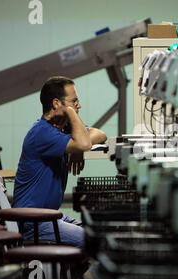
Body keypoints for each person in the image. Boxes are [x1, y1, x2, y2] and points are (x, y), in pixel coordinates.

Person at [12, 76, 107, 248]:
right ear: (56, 104)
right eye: (74, 101)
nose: (79, 106)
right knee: (98, 244)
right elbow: (84, 143)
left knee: (99, 234)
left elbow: (100, 134)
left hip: (51, 216)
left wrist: (76, 149)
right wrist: (71, 116)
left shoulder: (60, 130)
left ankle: (75, 273)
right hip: (33, 222)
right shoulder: (42, 133)